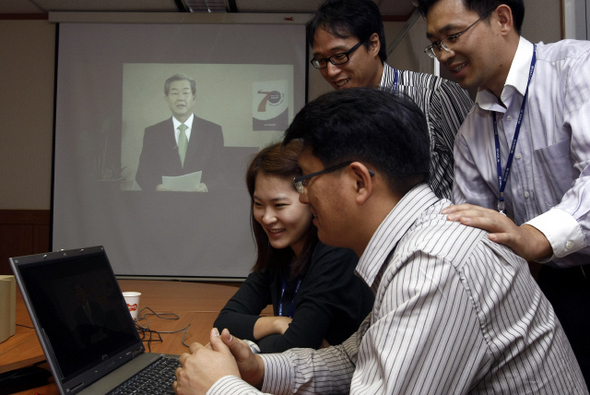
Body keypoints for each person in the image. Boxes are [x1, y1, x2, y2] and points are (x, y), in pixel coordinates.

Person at [173, 88, 587, 395]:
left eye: (306, 179)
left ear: (358, 181)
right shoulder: (414, 242)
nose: (302, 196)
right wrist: (261, 371)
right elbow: (356, 358)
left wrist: (220, 389)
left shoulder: (434, 263)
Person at [415, 0, 590, 384]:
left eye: (453, 35)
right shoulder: (470, 133)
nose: (444, 54)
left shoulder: (578, 68)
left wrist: (532, 235)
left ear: (503, 19)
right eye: (436, 44)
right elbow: (475, 231)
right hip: (554, 288)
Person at [306, 0, 473, 200]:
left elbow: (480, 180)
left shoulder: (434, 96)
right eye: (321, 61)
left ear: (373, 44)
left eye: (340, 56)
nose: (330, 71)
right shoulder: (337, 118)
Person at [213, 141, 373, 353]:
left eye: (280, 205)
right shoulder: (281, 254)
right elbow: (223, 323)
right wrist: (276, 324)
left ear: (309, 199)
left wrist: (249, 345)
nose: (267, 218)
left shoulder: (337, 253)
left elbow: (294, 348)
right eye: (259, 204)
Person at [135, 74, 224, 192]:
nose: (180, 98)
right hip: (164, 202)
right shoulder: (153, 133)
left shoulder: (213, 131)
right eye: (174, 93)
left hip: (201, 203)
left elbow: (221, 172)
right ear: (166, 99)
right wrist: (157, 188)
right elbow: (142, 173)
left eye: (186, 93)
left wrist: (206, 187)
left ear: (194, 98)